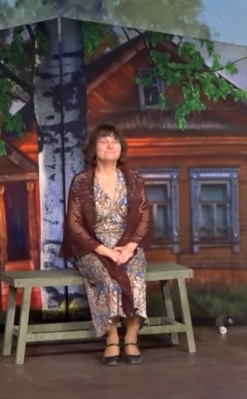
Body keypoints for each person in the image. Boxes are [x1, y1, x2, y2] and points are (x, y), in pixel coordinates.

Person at [60, 124, 152, 366]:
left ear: (121, 148)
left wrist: (130, 247)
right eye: (104, 141)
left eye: (115, 141)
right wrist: (104, 251)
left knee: (135, 276)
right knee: (108, 279)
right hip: (93, 249)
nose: (110, 145)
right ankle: (111, 338)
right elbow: (74, 225)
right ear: (93, 149)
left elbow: (144, 216)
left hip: (127, 247)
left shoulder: (133, 179)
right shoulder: (81, 182)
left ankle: (131, 338)